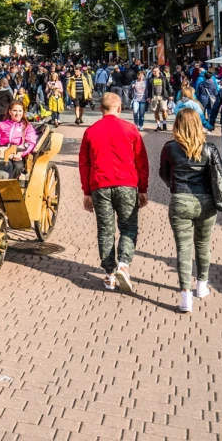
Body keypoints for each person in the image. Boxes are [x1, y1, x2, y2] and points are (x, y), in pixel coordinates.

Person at [158, 110, 222, 313]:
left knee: (183, 247)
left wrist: (176, 186)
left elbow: (164, 173)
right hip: (206, 200)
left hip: (180, 199)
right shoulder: (209, 149)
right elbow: (219, 176)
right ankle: (202, 286)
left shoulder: (169, 148)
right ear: (198, 125)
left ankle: (185, 295)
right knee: (203, 244)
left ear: (177, 125)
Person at [80, 92, 150, 293]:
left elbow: (84, 164)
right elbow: (141, 161)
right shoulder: (130, 129)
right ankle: (124, 264)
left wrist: (86, 192)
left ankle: (110, 274)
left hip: (100, 185)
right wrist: (143, 189)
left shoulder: (91, 131)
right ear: (119, 108)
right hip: (127, 184)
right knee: (128, 227)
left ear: (101, 109)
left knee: (105, 229)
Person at [0, 101, 37, 179]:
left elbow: (31, 143)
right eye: (15, 111)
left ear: (23, 112)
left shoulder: (27, 126)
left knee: (18, 166)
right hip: (2, 153)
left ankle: (10, 185)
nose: (17, 114)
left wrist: (21, 154)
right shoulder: (1, 125)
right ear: (10, 112)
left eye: (20, 111)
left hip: (17, 153)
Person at [147, 66, 170, 131]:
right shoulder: (150, 79)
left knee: (164, 110)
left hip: (163, 96)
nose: (155, 72)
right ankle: (158, 125)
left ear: (159, 71)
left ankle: (164, 123)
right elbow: (148, 89)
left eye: (156, 71)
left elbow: (168, 87)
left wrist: (170, 95)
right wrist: (149, 97)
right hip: (154, 96)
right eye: (154, 71)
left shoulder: (164, 78)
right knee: (155, 111)